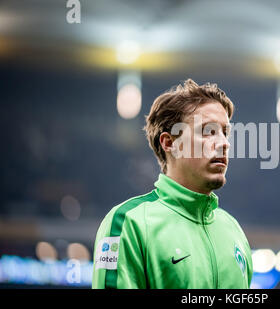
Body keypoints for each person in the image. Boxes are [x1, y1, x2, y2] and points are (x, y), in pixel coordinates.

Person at [92, 79, 253, 289]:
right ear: (170, 143)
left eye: (225, 132)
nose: (224, 143)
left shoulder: (234, 230)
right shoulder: (129, 222)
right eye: (208, 131)